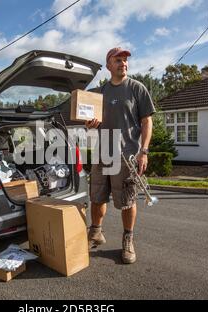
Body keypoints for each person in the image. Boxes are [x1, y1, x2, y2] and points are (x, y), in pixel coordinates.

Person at [85, 47, 155, 264]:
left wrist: (144, 151)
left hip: (127, 156)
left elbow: (146, 121)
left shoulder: (137, 88)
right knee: (97, 196)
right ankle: (96, 232)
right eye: (118, 60)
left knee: (127, 200)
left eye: (125, 60)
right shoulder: (98, 93)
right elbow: (90, 123)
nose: (123, 63)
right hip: (102, 154)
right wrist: (89, 124)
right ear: (108, 65)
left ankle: (128, 240)